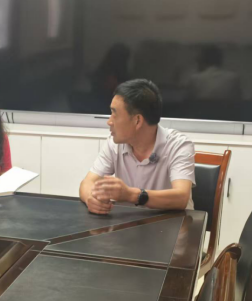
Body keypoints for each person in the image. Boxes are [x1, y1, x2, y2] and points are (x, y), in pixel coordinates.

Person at [79, 79, 195, 213]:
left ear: (137, 121)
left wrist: (131, 195)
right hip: (130, 223)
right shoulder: (114, 144)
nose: (109, 122)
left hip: (175, 222)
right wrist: (90, 199)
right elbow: (87, 183)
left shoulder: (178, 145)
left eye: (114, 114)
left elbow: (181, 197)